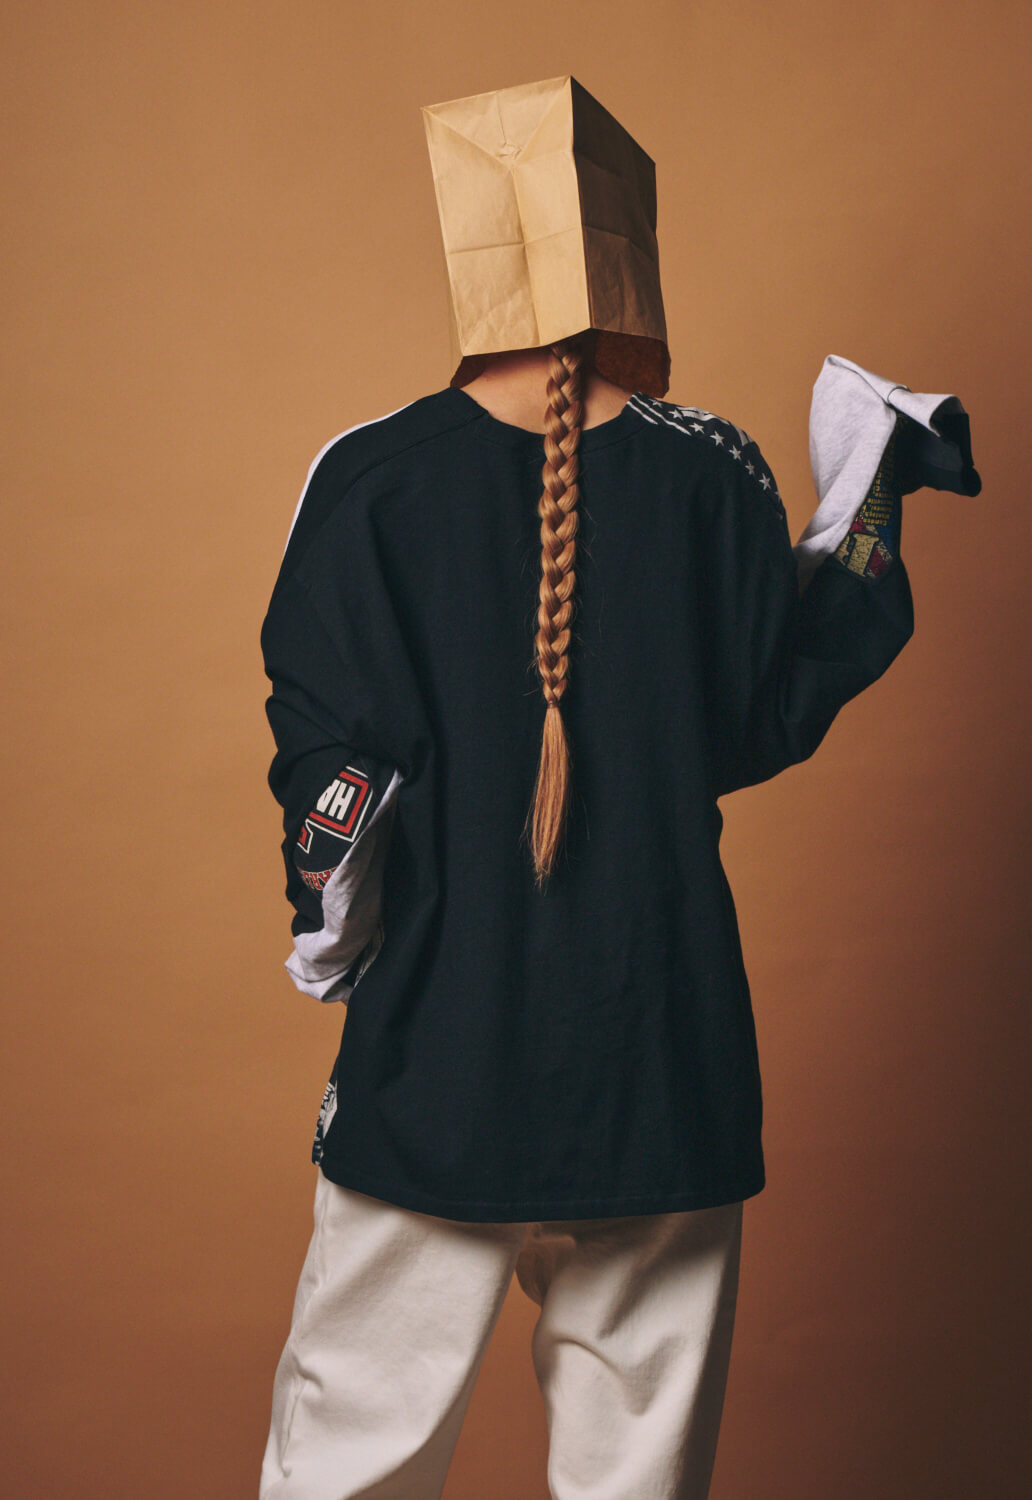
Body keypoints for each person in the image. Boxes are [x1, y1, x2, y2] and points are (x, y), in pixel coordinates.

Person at [255, 77, 979, 1500]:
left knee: (347, 1463)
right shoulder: (715, 474)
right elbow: (760, 715)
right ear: (623, 252)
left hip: (439, 1058)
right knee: (636, 1477)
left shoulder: (373, 481)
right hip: (664, 1054)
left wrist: (329, 928)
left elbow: (333, 779)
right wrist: (870, 500)